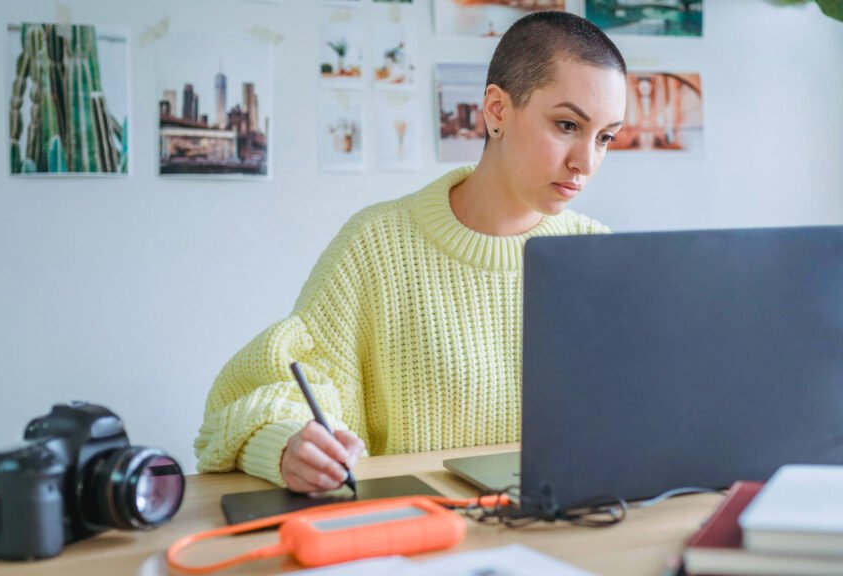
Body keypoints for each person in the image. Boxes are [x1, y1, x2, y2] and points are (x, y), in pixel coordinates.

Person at [194, 10, 628, 494]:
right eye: (567, 125)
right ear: (497, 110)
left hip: (567, 537)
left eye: (605, 137)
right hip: (420, 542)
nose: (586, 162)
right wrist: (286, 446)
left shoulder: (596, 253)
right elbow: (252, 398)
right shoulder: (377, 245)